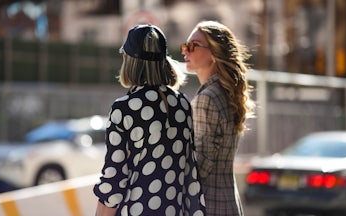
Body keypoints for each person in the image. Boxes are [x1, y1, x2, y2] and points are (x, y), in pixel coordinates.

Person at [93, 24, 205, 216]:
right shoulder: (183, 104)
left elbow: (113, 183)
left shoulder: (124, 109)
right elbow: (189, 174)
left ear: (128, 60)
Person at [181, 20, 255, 216]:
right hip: (228, 201)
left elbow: (201, 166)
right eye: (185, 46)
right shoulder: (225, 93)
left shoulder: (207, 98)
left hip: (208, 206)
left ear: (214, 54)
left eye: (193, 46)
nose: (185, 51)